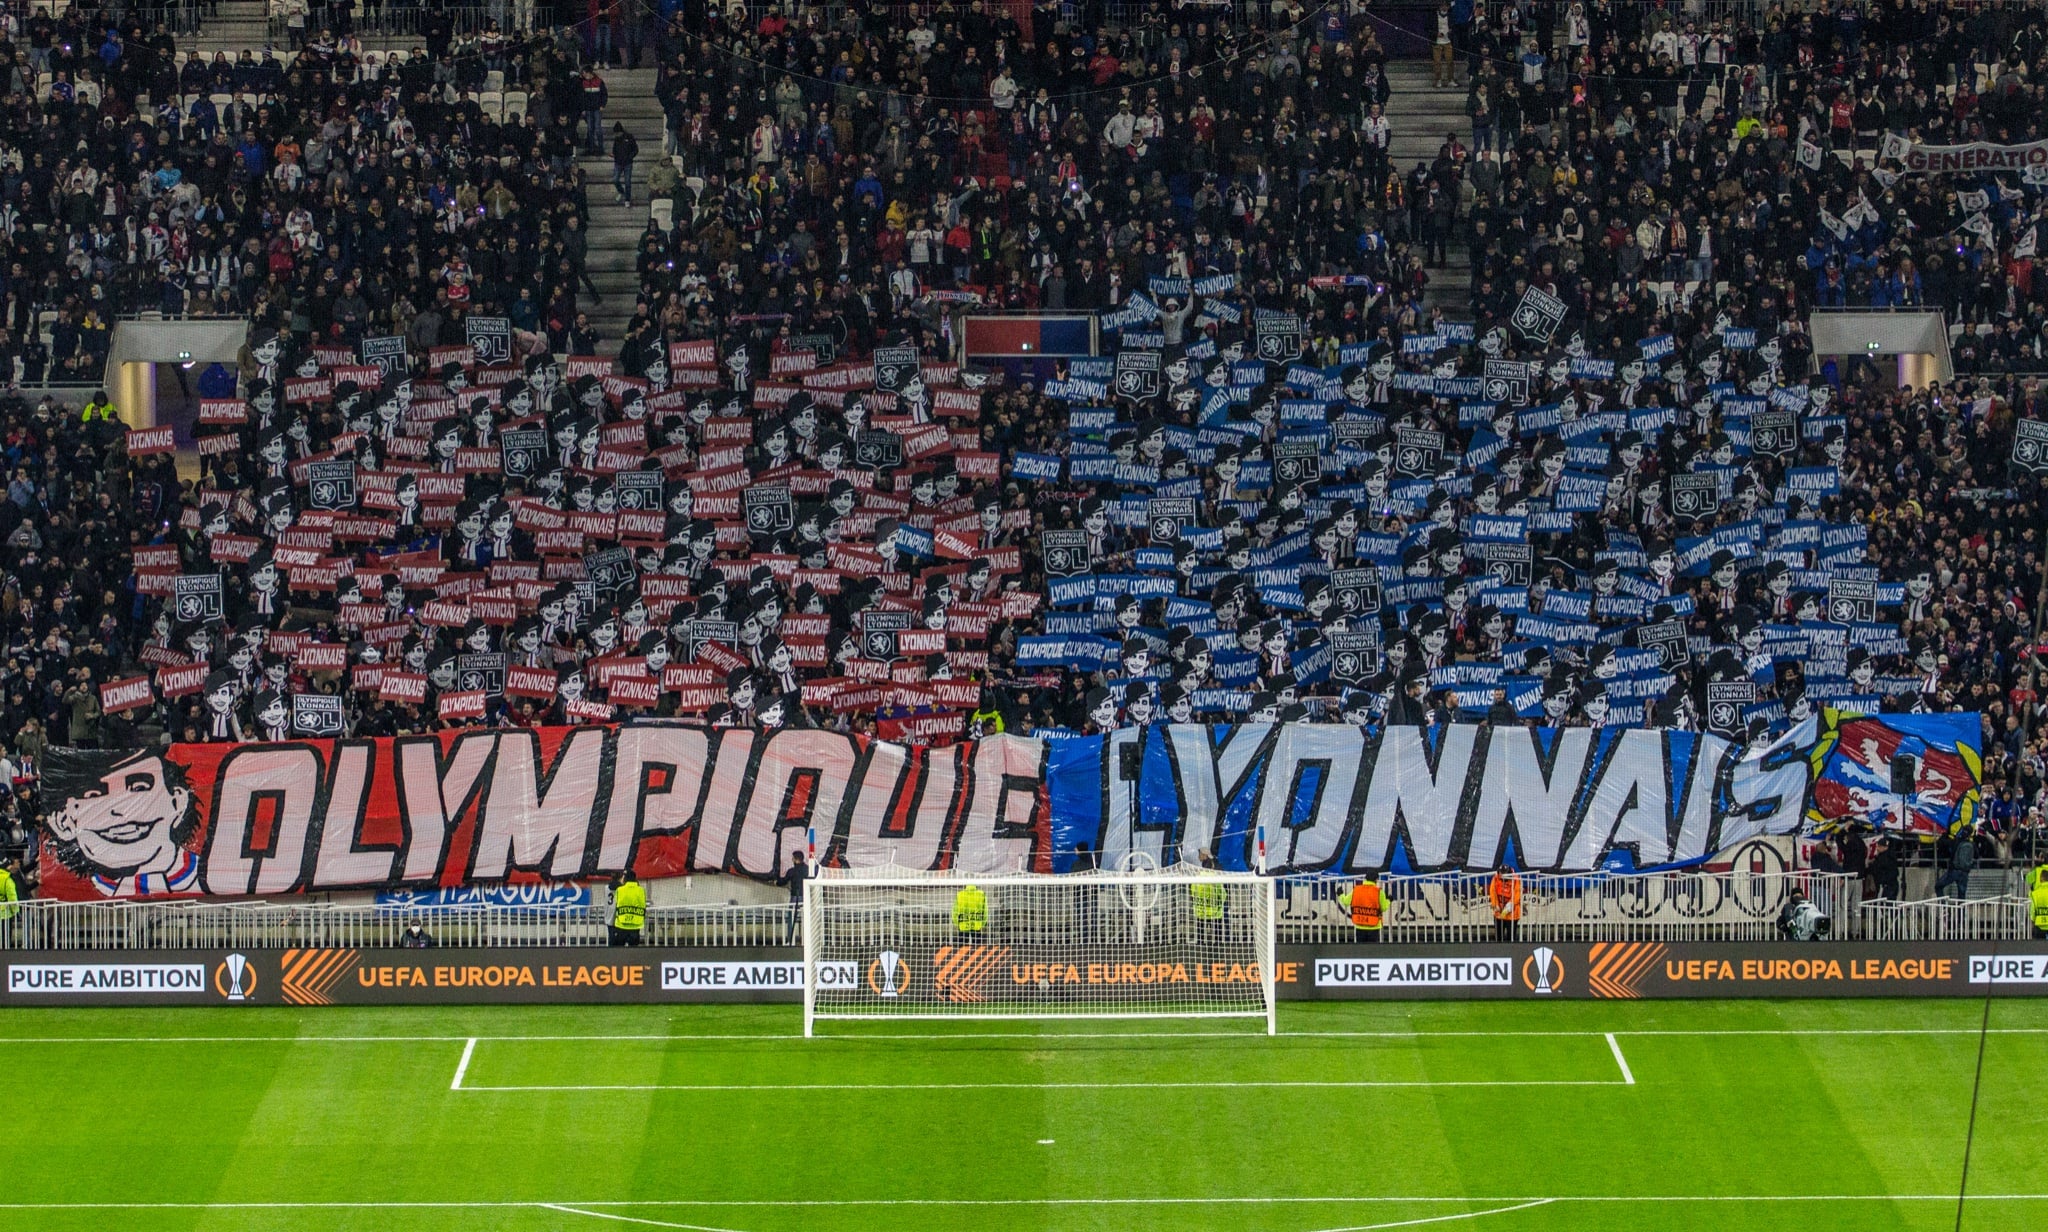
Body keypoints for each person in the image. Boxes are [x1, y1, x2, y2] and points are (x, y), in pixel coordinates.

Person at [1934, 824, 1977, 899]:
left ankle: (1943, 904)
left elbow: (1941, 842)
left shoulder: (1956, 841)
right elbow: (1977, 855)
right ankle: (1961, 907)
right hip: (1965, 873)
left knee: (1938, 886)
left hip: (1953, 871)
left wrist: (1945, 834)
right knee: (1961, 896)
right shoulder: (1972, 844)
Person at [778, 847, 811, 942]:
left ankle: (790, 939)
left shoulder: (792, 871)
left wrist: (776, 881)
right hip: (806, 897)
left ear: (796, 859)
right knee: (807, 918)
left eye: (793, 858)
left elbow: (783, 881)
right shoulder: (808, 870)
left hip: (795, 897)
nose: (792, 860)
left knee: (791, 917)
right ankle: (807, 939)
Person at [1340, 874, 1384, 943]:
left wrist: (1341, 894)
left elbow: (1346, 901)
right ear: (1376, 879)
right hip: (1374, 926)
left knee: (1360, 948)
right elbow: (1384, 907)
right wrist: (1389, 900)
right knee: (1373, 949)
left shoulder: (1356, 890)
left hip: (1360, 925)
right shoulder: (1379, 892)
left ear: (1365, 879)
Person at [609, 870, 646, 946]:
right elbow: (643, 904)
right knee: (633, 950)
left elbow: (615, 903)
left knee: (618, 949)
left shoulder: (620, 890)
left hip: (621, 924)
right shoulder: (641, 890)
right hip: (635, 924)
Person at [1487, 864, 1521, 941]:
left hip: (1512, 914)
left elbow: (1517, 893)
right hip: (1499, 912)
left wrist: (1510, 905)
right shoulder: (1496, 877)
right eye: (1501, 874)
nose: (1502, 876)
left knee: (1511, 937)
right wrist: (1495, 904)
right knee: (1498, 936)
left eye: (1504, 874)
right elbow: (1493, 892)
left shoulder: (1516, 878)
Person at [0, 857, 19, 946]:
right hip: (5, 914)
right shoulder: (8, 880)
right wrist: (15, 911)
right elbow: (12, 898)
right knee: (5, 939)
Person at [2030, 861, 2048, 940]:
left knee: (2038, 946)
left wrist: (2032, 921)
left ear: (2041, 879)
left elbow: (2032, 910)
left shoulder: (2035, 894)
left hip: (2039, 926)